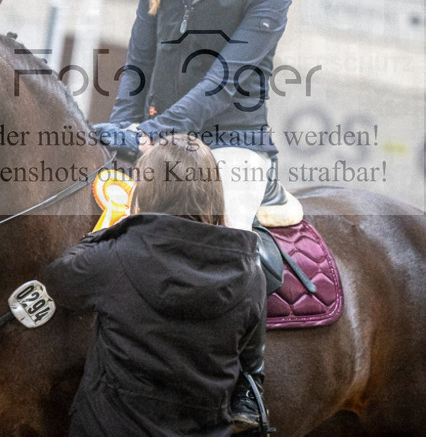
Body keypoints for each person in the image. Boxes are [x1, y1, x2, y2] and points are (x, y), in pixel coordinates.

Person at [94, 0, 289, 425]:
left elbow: (222, 84)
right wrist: (125, 129)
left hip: (235, 147)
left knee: (228, 248)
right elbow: (139, 61)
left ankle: (245, 378)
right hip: (160, 138)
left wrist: (152, 133)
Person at [43, 135, 266, 436]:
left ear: (149, 190)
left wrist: (112, 230)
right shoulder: (251, 273)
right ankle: (251, 398)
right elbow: (248, 349)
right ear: (213, 191)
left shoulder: (116, 255)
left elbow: (58, 279)